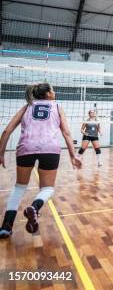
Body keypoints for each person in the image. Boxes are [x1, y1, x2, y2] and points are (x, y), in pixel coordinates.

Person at [0, 83, 81, 238]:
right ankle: (35, 207)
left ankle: (6, 226)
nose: (55, 91)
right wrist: (73, 154)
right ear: (48, 94)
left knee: (19, 188)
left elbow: (7, 130)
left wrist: (1, 152)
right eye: (53, 89)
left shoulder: (27, 107)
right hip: (49, 149)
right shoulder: (57, 107)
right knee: (48, 189)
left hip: (26, 147)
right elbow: (67, 133)